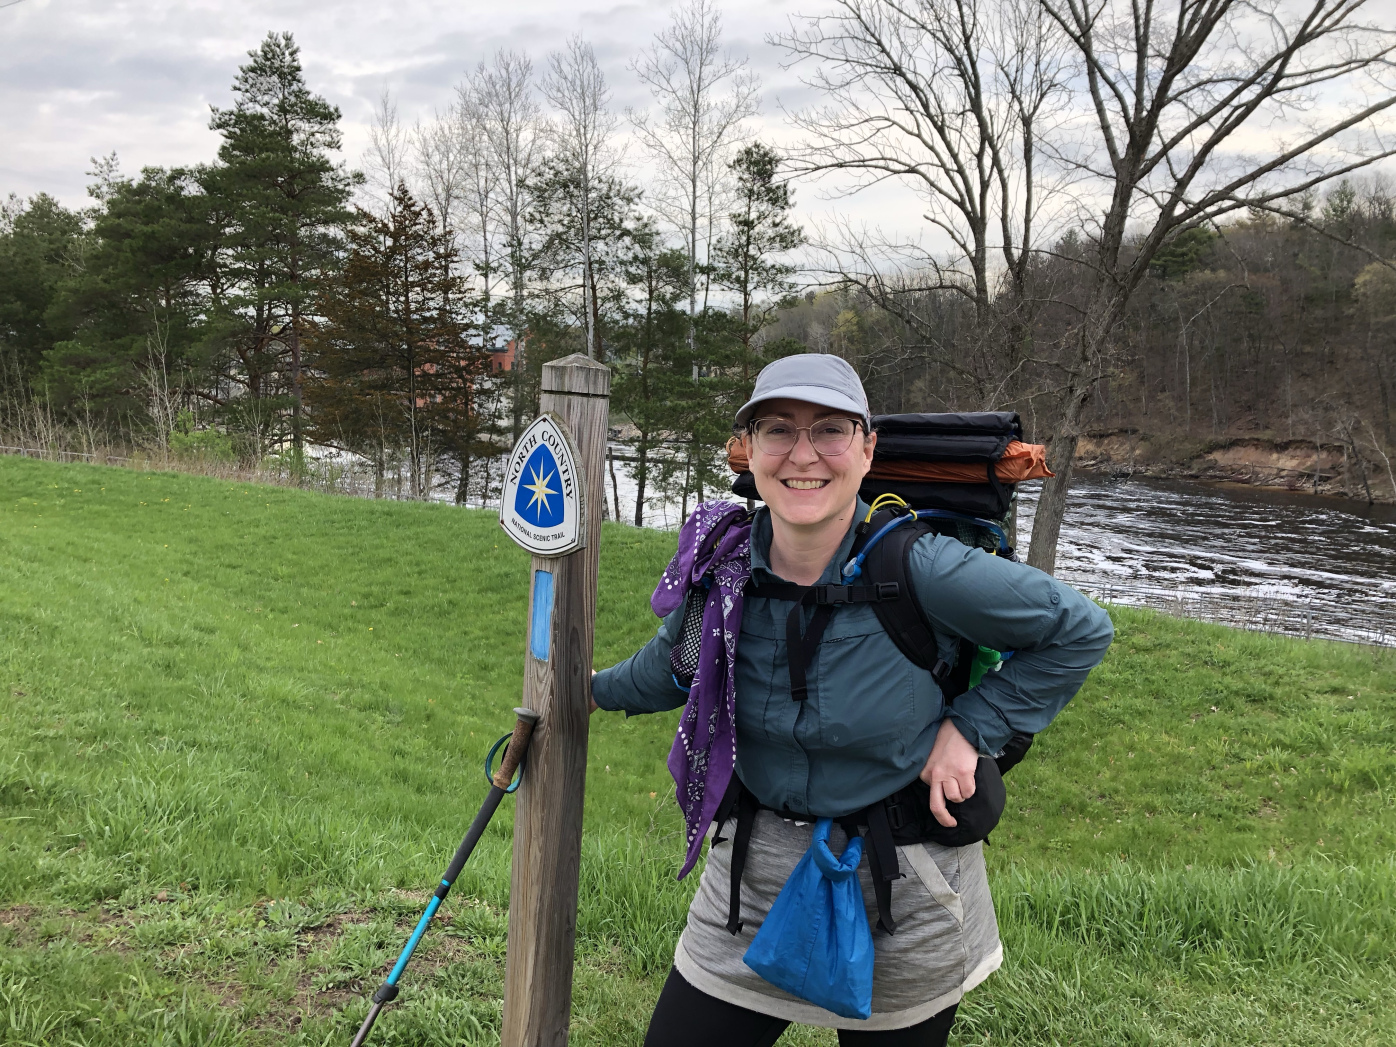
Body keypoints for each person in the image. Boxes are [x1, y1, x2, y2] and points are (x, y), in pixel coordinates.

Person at [590, 354, 1114, 1047]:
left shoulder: (922, 567)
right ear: (749, 452)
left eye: (829, 430)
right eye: (778, 429)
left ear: (867, 449)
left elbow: (1079, 630)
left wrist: (970, 726)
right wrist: (575, 691)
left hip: (901, 886)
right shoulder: (723, 571)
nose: (803, 454)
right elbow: (672, 670)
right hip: (753, 880)